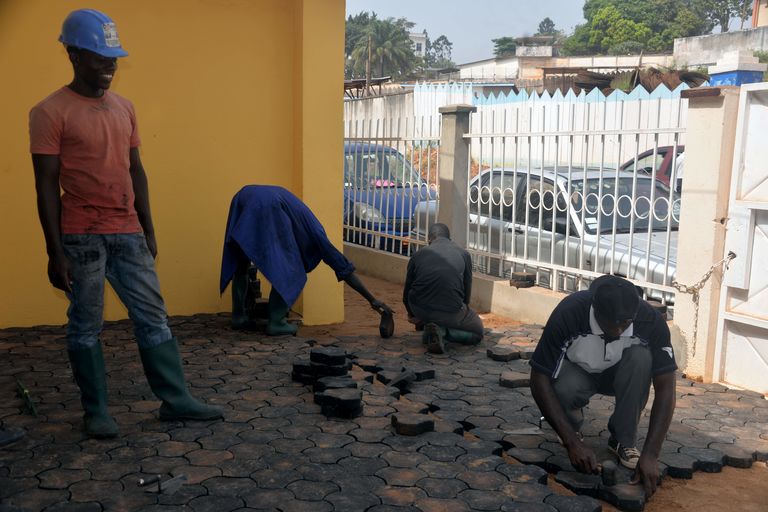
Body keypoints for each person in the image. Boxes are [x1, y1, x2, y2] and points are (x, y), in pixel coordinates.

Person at [30, 9, 223, 439]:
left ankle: (176, 401)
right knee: (85, 323)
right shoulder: (49, 112)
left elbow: (136, 169)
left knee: (153, 316)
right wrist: (54, 251)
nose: (111, 65)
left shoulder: (125, 108)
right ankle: (96, 410)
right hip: (81, 236)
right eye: (101, 57)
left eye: (114, 57)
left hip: (128, 231)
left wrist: (148, 228)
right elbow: (44, 186)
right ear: (76, 55)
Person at [529, 274, 677, 498]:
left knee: (641, 359)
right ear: (594, 309)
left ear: (634, 314)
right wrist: (571, 443)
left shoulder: (651, 322)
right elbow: (539, 377)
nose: (618, 330)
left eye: (625, 323)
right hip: (579, 372)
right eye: (611, 323)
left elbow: (667, 388)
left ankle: (622, 440)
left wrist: (651, 455)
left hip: (621, 374)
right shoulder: (570, 313)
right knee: (563, 385)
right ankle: (570, 428)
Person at [220, 185, 392, 335]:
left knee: (241, 260)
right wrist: (371, 299)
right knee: (289, 270)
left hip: (244, 195)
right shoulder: (317, 235)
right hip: (267, 203)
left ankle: (238, 316)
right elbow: (342, 266)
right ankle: (276, 322)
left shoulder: (301, 221)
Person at [403, 223, 484, 354]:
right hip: (451, 310)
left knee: (433, 314)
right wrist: (463, 310)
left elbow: (406, 293)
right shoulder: (464, 254)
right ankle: (444, 333)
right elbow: (466, 293)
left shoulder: (418, 255)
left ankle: (429, 330)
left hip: (420, 309)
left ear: (430, 239)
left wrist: (414, 316)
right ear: (449, 238)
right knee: (478, 333)